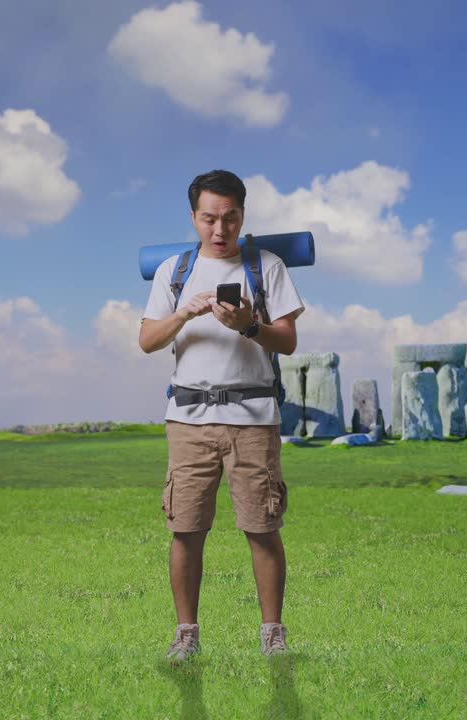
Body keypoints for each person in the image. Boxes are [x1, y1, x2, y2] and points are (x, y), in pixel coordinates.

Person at [139, 169, 305, 663]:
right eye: (209, 218)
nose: (219, 229)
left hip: (254, 417)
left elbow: (289, 341)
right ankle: (186, 634)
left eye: (229, 218)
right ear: (194, 217)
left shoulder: (266, 266)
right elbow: (148, 340)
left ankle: (272, 634)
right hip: (188, 419)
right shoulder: (175, 269)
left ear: (242, 216)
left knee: (262, 526)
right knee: (185, 529)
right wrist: (185, 314)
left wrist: (250, 324)